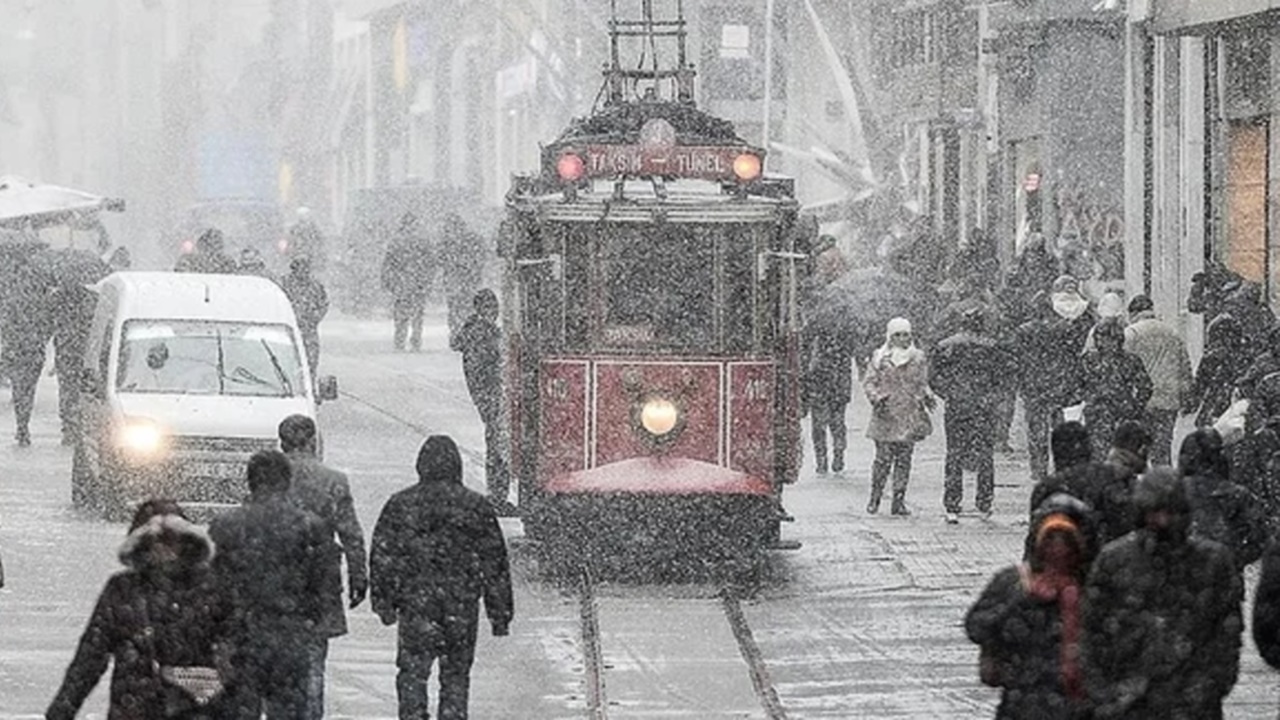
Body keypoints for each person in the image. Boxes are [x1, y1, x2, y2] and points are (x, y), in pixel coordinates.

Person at [47, 499, 245, 719]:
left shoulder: (213, 589)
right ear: (142, 545)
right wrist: (62, 710)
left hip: (180, 709)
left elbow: (237, 656)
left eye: (171, 539)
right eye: (155, 541)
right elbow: (90, 658)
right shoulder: (123, 589)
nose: (164, 548)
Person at [370, 435, 514, 720]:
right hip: (460, 606)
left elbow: (383, 557)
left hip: (415, 605)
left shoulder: (400, 504)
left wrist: (383, 602)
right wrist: (500, 614)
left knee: (412, 673)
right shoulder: (476, 507)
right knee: (456, 677)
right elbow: (494, 563)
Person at [1082, 469, 1243, 719]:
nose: (1164, 521)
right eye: (1155, 512)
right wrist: (1107, 694)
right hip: (1130, 702)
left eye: (1171, 512)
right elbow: (1092, 632)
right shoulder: (1114, 560)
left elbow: (1226, 635)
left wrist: (1210, 687)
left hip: (1192, 701)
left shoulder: (1212, 561)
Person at [209, 450, 328, 718]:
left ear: (250, 481)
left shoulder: (226, 525)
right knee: (288, 710)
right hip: (290, 637)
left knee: (239, 708)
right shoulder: (310, 527)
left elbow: (214, 587)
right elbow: (321, 587)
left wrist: (216, 635)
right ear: (287, 481)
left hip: (241, 638)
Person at [966, 496, 1093, 719]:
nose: (1058, 549)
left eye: (1065, 541)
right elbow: (976, 626)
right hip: (1022, 702)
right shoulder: (1014, 583)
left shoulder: (1091, 587)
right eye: (1051, 540)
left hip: (1076, 706)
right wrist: (1017, 603)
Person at [279, 415, 368, 719]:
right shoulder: (333, 480)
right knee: (314, 664)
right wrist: (359, 576)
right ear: (312, 441)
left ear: (282, 444)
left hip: (276, 583)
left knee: (278, 665)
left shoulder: (270, 478)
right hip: (320, 583)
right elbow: (351, 533)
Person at [929, 308, 1015, 522]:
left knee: (954, 454)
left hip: (957, 405)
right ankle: (984, 501)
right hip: (983, 406)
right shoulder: (992, 347)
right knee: (985, 454)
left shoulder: (946, 346)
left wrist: (949, 393)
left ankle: (952, 503)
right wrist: (992, 396)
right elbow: (1004, 377)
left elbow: (933, 377)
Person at [450, 289, 513, 514]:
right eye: (489, 308)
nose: (493, 313)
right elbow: (485, 367)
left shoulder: (473, 331)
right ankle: (497, 495)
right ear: (481, 310)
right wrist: (494, 392)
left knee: (495, 440)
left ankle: (497, 494)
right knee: (497, 442)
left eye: (494, 309)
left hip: (486, 395)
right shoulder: (483, 333)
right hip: (492, 395)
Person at [863, 317, 933, 516]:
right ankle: (875, 498)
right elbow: (869, 382)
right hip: (885, 414)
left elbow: (922, 382)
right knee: (882, 459)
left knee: (904, 459)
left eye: (906, 335)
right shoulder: (879, 358)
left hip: (909, 414)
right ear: (890, 336)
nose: (903, 339)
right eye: (898, 335)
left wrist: (927, 395)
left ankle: (898, 500)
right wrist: (876, 397)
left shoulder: (918, 358)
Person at [1028, 422, 1127, 560]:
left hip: (1063, 567)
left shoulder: (1047, 488)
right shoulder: (1110, 479)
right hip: (1106, 564)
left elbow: (1034, 544)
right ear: (1089, 448)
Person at [1178, 428, 1268, 572]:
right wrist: (1233, 560)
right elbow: (1259, 538)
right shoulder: (1237, 494)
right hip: (1225, 576)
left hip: (1183, 577)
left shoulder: (1175, 492)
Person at [49, 250, 109, 445]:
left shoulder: (58, 299)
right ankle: (72, 425)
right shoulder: (89, 298)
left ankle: (71, 426)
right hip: (76, 352)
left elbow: (48, 324)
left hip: (72, 351)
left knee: (71, 390)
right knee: (74, 390)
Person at [1124, 295, 1192, 465]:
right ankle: (1163, 484)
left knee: (1136, 450)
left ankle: (1142, 486)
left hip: (1141, 399)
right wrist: (1186, 395)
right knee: (1162, 448)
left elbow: (1122, 366)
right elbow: (1185, 367)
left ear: (1133, 313)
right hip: (1169, 399)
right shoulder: (1172, 333)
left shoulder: (1131, 333)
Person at [3, 242, 54, 446]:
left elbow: (5, 323)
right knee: (29, 388)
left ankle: (21, 425)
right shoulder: (43, 296)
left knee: (19, 387)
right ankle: (24, 423)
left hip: (17, 349)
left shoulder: (11, 294)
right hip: (33, 350)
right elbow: (49, 324)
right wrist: (41, 337)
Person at [1080, 319, 1153, 462]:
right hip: (1098, 416)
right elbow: (1078, 383)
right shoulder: (1089, 359)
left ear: (1118, 339)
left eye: (1108, 338)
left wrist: (1136, 408)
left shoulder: (1130, 360)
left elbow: (1146, 386)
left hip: (1120, 415)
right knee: (1099, 457)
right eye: (1100, 338)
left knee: (1121, 457)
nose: (1104, 343)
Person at [802, 317, 856, 474]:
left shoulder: (814, 340)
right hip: (832, 389)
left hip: (821, 389)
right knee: (836, 425)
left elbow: (806, 369)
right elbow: (846, 368)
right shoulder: (842, 340)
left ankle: (823, 460)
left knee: (821, 427)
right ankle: (835, 456)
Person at [381, 212, 435, 352]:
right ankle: (416, 341)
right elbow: (430, 264)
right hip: (418, 284)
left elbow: (388, 264)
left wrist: (387, 281)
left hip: (401, 284)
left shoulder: (396, 241)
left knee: (401, 315)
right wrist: (427, 281)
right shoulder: (423, 241)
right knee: (417, 315)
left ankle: (400, 341)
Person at [1190, 313, 1251, 428]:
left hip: (1216, 405)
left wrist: (1191, 404)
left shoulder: (1212, 356)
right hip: (1239, 406)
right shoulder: (1247, 353)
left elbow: (1200, 384)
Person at [439, 212, 486, 347]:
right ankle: (468, 336)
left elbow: (440, 259)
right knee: (468, 309)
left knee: (455, 310)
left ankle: (456, 336)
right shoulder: (473, 238)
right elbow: (481, 255)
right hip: (469, 280)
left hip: (455, 281)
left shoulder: (447, 241)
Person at [281, 256, 329, 376]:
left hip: (308, 331)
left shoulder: (315, 285)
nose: (303, 271)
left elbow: (324, 303)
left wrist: (314, 318)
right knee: (286, 364)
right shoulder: (285, 284)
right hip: (287, 330)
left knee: (309, 366)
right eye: (300, 268)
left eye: (305, 268)